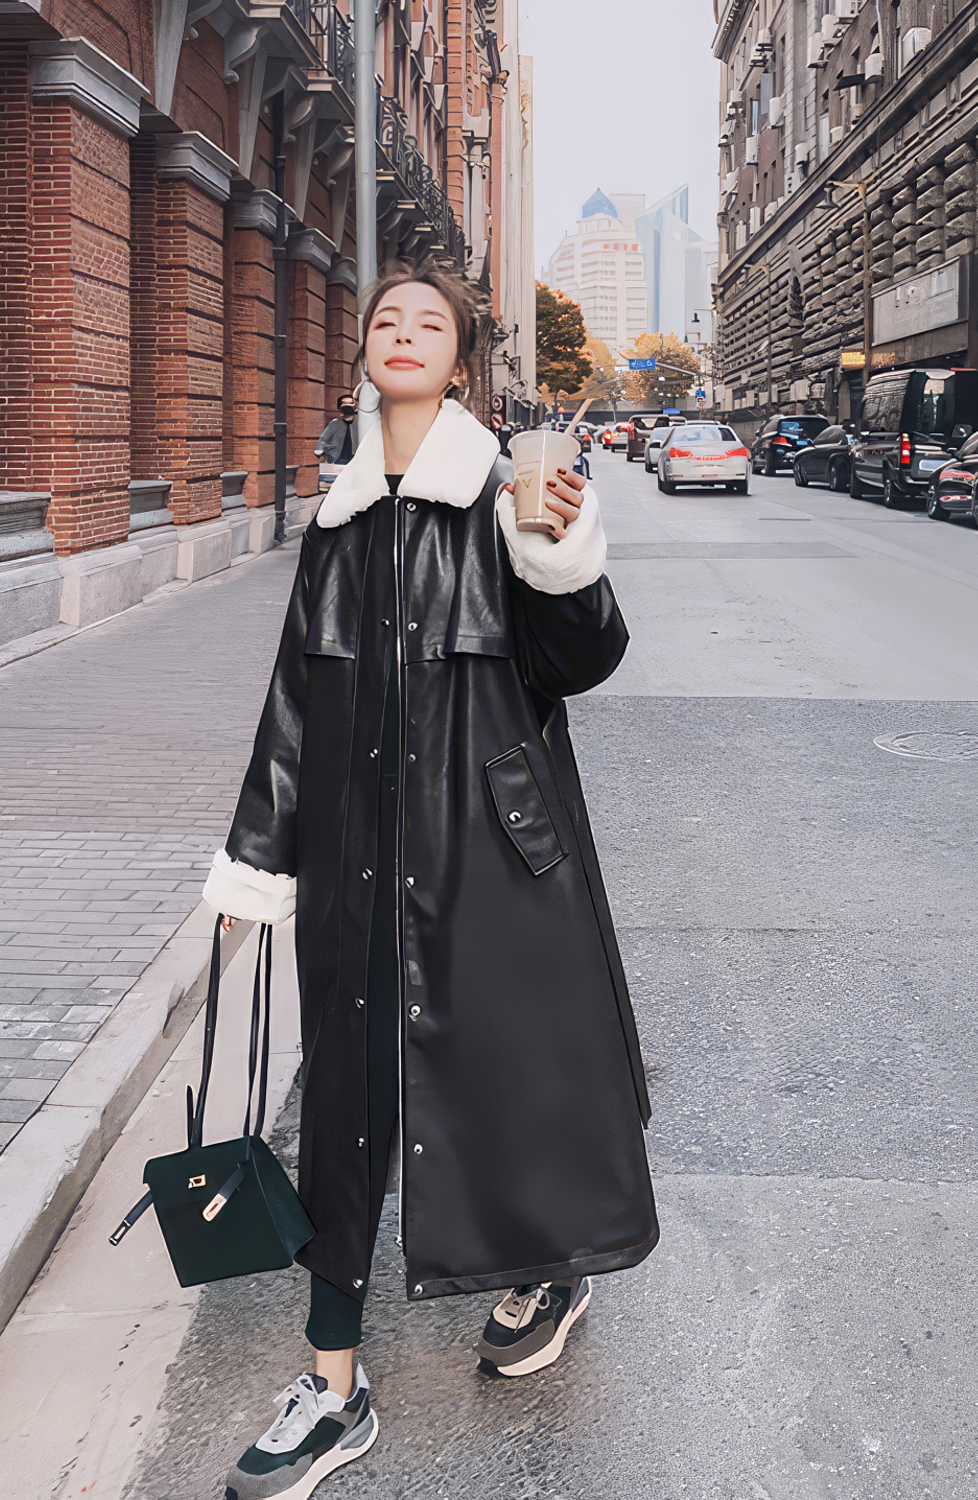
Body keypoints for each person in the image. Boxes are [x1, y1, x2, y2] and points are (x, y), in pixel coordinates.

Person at [203, 263, 658, 1500]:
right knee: (349, 1097)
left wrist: (553, 547)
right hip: (355, 847)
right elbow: (296, 699)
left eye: (430, 325)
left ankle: (545, 1266)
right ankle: (332, 1385)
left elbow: (582, 657)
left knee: (502, 1073)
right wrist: (256, 859)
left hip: (493, 842)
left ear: (462, 364)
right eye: (385, 322)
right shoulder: (339, 516)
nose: (403, 337)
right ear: (364, 355)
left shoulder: (505, 487)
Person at [315, 392, 358, 466]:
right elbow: (323, 440)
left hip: (356, 461)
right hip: (337, 460)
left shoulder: (359, 423)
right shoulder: (335, 424)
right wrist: (325, 457)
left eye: (351, 403)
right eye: (344, 403)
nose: (347, 405)